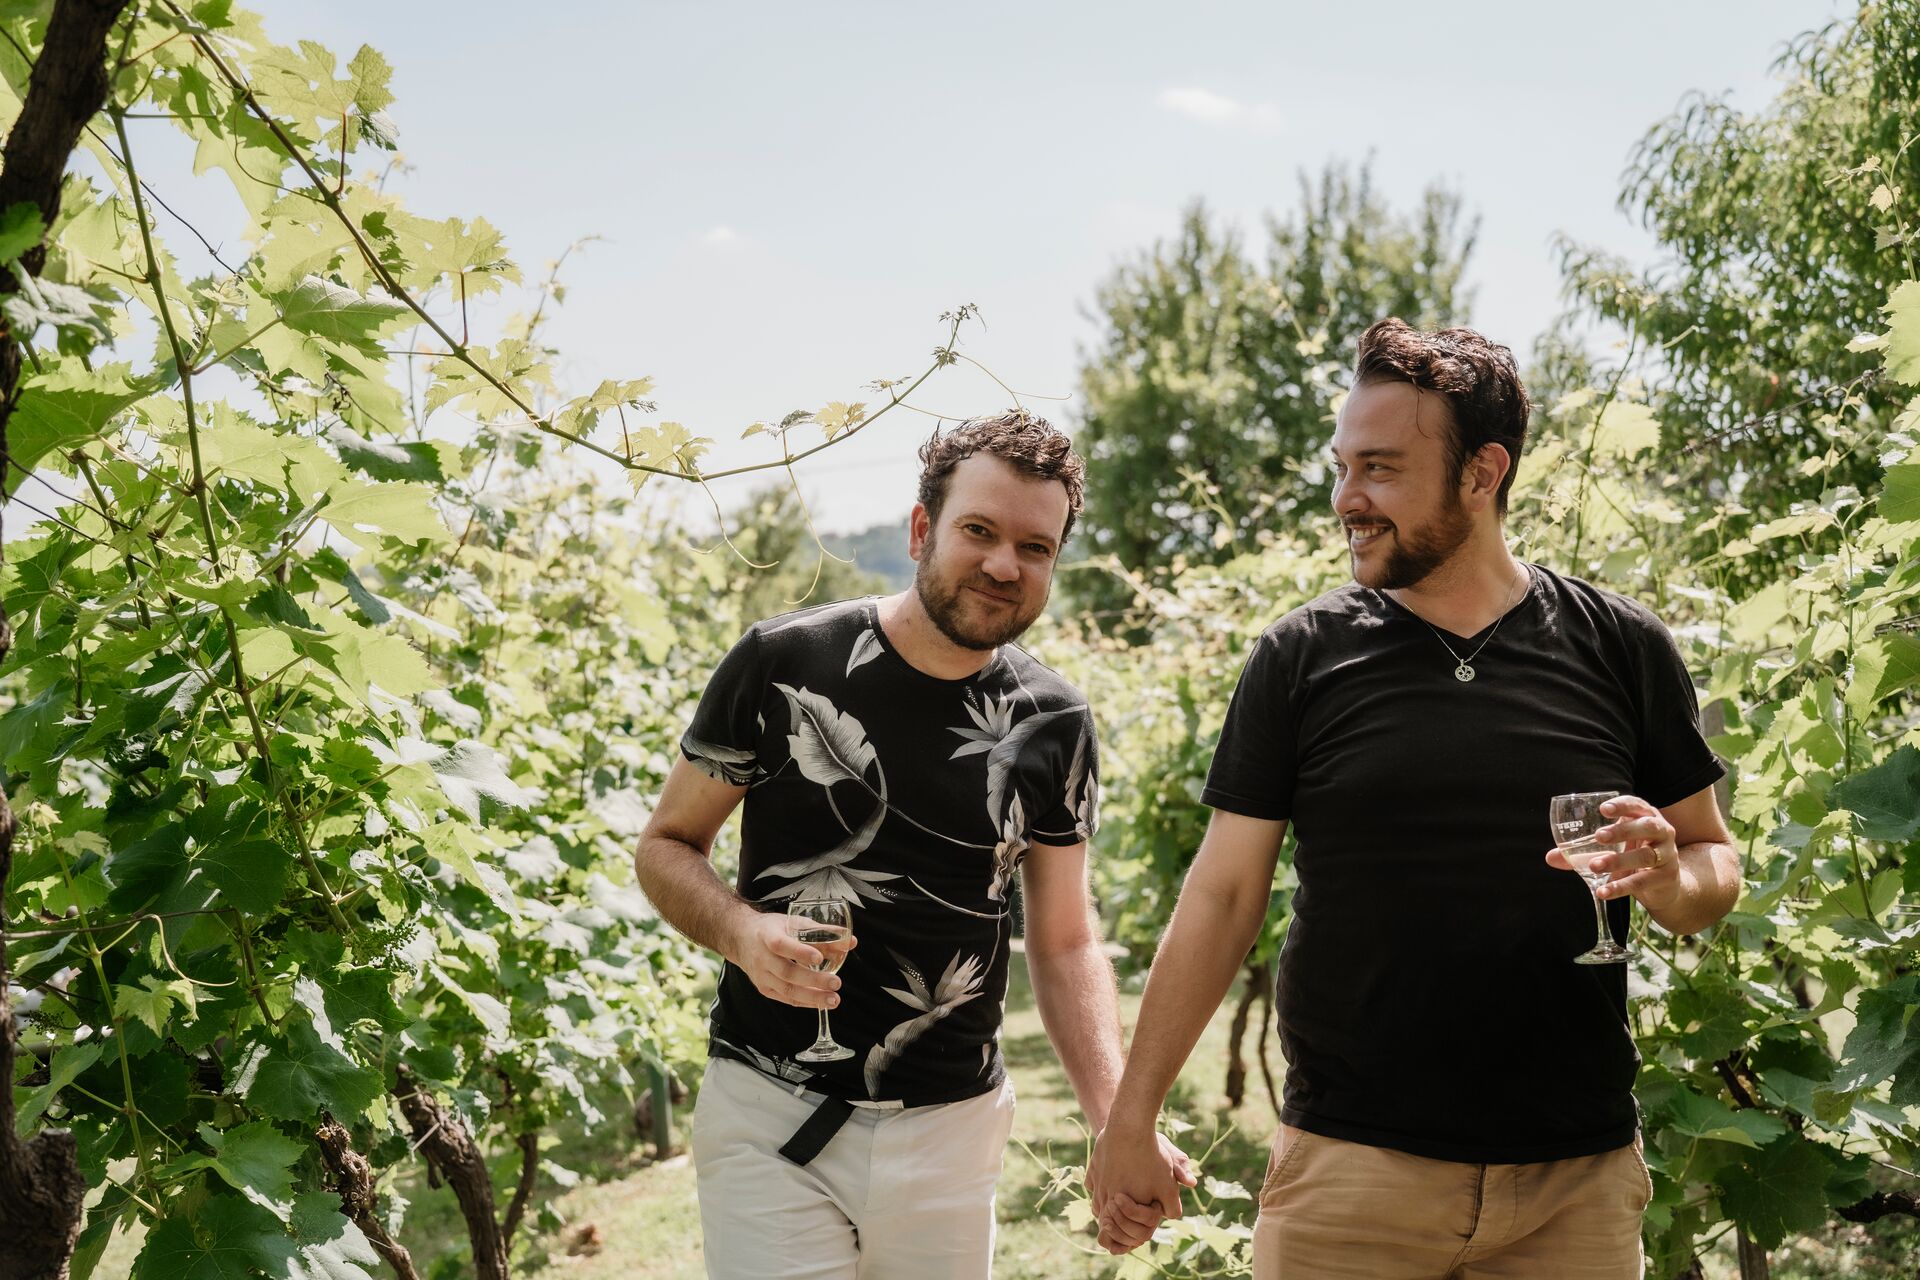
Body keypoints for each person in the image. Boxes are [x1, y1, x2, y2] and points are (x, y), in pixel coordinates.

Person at [1085, 320, 1741, 1278]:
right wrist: (1130, 1117)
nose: (1349, 500)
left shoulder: (1619, 645)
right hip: (1352, 1175)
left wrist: (1667, 880)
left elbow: (1712, 861)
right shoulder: (1301, 655)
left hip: (1577, 1183)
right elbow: (1224, 895)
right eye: (1343, 466)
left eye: (1382, 469)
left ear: (1483, 473)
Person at [637, 409, 1193, 1280]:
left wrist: (1116, 1121)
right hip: (771, 1110)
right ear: (922, 528)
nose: (1005, 564)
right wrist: (744, 936)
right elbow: (668, 845)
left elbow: (1064, 937)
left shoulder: (1057, 723)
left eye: (1036, 547)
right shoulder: (782, 664)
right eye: (980, 530)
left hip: (955, 1127)